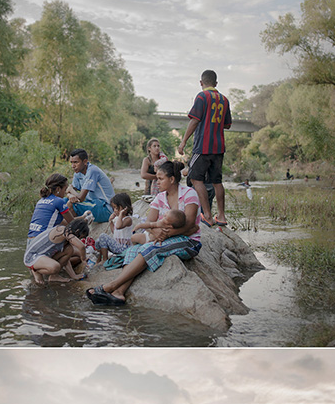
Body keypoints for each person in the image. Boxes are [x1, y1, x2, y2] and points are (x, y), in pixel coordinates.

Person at [86, 160, 201, 307]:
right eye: (156, 178)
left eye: (160, 179)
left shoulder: (189, 194)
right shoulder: (159, 198)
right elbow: (149, 224)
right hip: (162, 239)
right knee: (133, 250)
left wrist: (166, 234)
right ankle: (119, 293)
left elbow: (191, 226)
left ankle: (111, 286)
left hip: (188, 241)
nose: (156, 182)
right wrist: (158, 231)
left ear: (172, 179)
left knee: (149, 249)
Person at [178, 69, 231, 229]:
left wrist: (183, 142)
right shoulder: (224, 99)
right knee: (217, 181)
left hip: (203, 146)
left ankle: (207, 216)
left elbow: (194, 120)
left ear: (201, 83)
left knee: (195, 178)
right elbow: (227, 125)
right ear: (216, 83)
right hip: (219, 147)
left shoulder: (202, 96)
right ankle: (221, 216)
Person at [24, 218, 89, 286]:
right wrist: (83, 259)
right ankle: (36, 271)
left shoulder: (66, 237)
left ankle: (54, 276)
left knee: (69, 250)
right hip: (32, 256)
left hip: (44, 255)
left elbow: (66, 260)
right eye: (80, 237)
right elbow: (82, 247)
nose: (79, 239)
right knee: (55, 267)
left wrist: (74, 276)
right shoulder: (62, 231)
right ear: (77, 231)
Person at [68, 149, 115, 223]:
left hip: (105, 208)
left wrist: (70, 189)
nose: (73, 166)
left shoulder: (92, 171)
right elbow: (69, 192)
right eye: (71, 162)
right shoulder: (77, 173)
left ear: (85, 161)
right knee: (63, 202)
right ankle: (73, 228)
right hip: (92, 203)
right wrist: (70, 195)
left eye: (76, 162)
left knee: (72, 206)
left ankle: (73, 229)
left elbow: (81, 198)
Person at [28, 173, 76, 237]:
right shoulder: (59, 201)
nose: (65, 192)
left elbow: (62, 222)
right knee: (68, 232)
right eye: (65, 189)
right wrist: (85, 218)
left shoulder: (41, 200)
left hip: (31, 241)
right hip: (42, 239)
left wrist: (83, 217)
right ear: (58, 189)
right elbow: (73, 223)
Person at [95, 193, 135, 262]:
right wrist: (111, 221)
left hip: (124, 248)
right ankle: (99, 259)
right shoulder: (118, 219)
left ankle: (105, 260)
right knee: (99, 241)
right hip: (117, 246)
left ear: (125, 207)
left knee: (103, 236)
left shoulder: (128, 219)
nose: (115, 210)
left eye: (117, 208)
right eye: (114, 208)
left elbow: (119, 226)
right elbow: (115, 231)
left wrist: (121, 214)